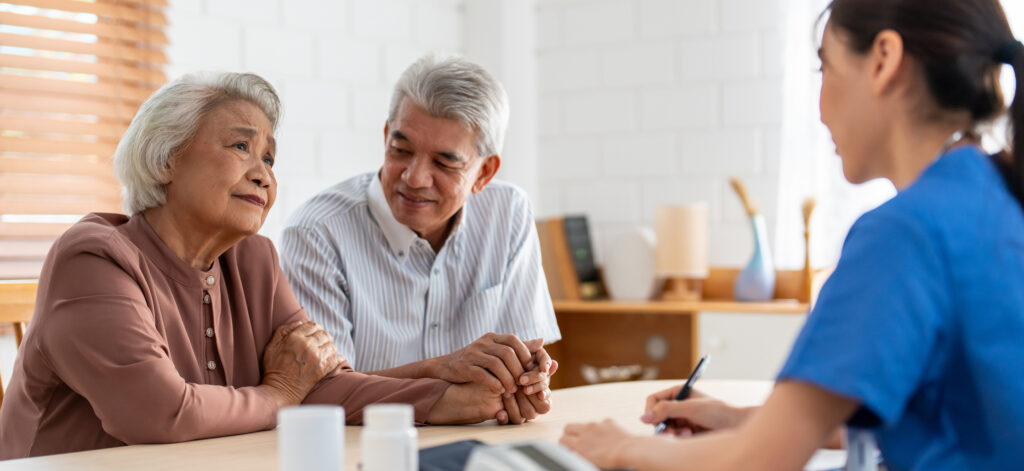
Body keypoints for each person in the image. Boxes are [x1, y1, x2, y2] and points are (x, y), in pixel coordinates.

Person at [560, 0, 1024, 469]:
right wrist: (740, 420)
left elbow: (759, 460)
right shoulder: (997, 197)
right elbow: (941, 418)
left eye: (825, 67)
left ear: (884, 61)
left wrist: (622, 446)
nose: (820, 110)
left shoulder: (905, 233)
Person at [0, 72, 506, 459]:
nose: (262, 173)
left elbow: (323, 384)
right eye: (241, 146)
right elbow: (158, 413)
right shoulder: (94, 259)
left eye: (270, 158)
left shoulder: (253, 260)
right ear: (165, 159)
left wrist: (452, 400)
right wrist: (280, 394)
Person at [280, 54, 561, 425]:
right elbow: (321, 392)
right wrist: (443, 372)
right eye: (402, 150)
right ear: (385, 136)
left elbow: (523, 362)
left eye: (444, 163)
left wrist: (528, 379)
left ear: (485, 172)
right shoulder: (317, 232)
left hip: (481, 440)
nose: (414, 177)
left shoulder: (509, 213)